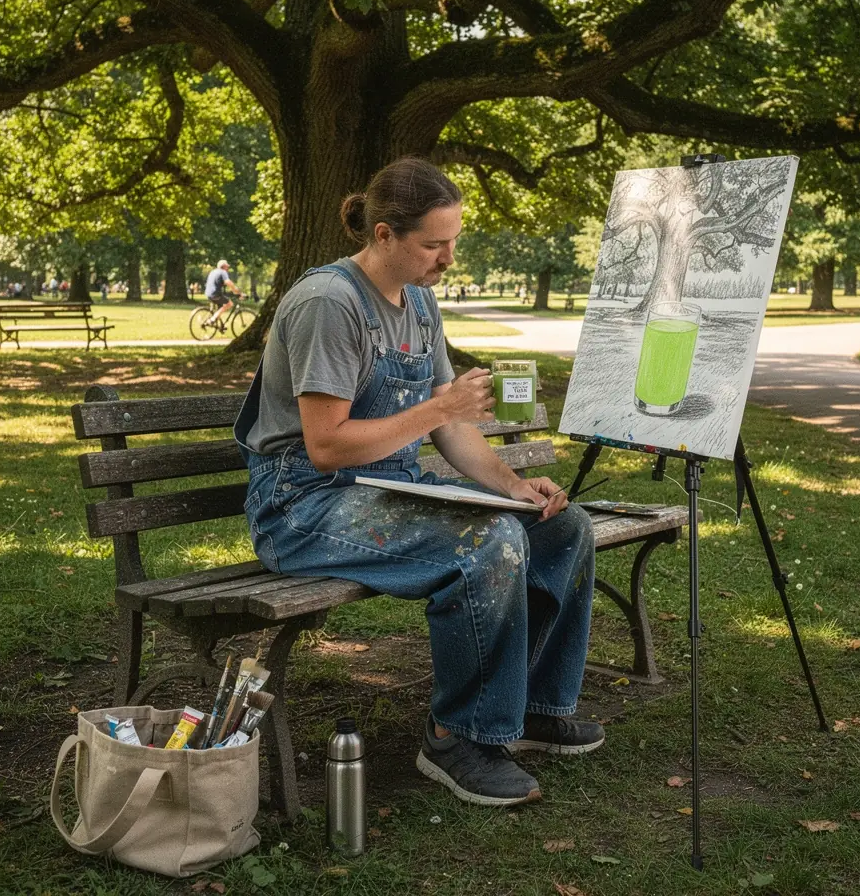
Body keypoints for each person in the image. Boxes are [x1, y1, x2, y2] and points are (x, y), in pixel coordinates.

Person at [233, 157, 601, 808]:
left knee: (561, 527)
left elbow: (450, 426)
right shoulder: (329, 304)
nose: (448, 258)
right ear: (384, 236)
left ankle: (532, 708)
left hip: (387, 489)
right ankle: (456, 738)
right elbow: (326, 446)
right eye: (434, 244)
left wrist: (511, 484)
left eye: (453, 240)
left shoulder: (421, 303)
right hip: (303, 504)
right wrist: (438, 410)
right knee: (485, 544)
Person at [203, 259, 243, 328]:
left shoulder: (213, 271)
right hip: (215, 294)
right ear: (224, 266)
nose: (228, 268)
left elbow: (220, 282)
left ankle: (220, 326)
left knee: (220, 308)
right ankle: (212, 320)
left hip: (208, 293)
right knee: (230, 304)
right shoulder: (223, 272)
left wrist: (232, 289)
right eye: (227, 266)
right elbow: (228, 282)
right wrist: (238, 292)